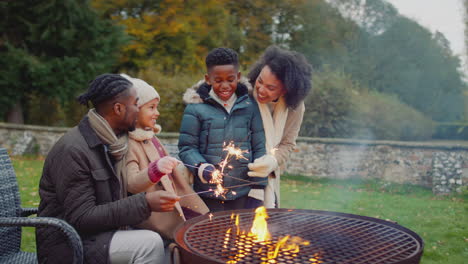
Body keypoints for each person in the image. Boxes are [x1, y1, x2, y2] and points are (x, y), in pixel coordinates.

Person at [36, 73, 180, 264]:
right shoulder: (74, 150)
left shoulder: (112, 142)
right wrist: (145, 203)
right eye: (136, 104)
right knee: (150, 243)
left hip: (101, 232)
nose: (139, 110)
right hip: (68, 243)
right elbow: (82, 217)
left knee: (165, 243)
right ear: (118, 109)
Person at [178, 47, 267, 212]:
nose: (225, 85)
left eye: (230, 79)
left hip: (243, 192)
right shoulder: (195, 108)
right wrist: (202, 167)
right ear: (208, 79)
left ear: (238, 77)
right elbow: (187, 147)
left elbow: (260, 148)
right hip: (208, 193)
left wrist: (258, 188)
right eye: (218, 80)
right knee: (213, 236)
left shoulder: (251, 106)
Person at [123, 74, 209, 240]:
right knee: (189, 239)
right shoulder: (129, 144)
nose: (157, 113)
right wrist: (155, 170)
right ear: (135, 109)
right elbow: (131, 183)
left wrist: (190, 170)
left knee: (204, 228)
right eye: (151, 107)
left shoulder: (150, 136)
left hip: (180, 202)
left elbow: (172, 172)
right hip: (158, 214)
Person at [246, 45, 312, 208]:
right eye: (260, 81)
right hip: (237, 181)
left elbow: (287, 144)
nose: (260, 89)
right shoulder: (243, 94)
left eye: (270, 88)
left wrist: (273, 160)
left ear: (286, 90)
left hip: (267, 182)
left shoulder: (295, 108)